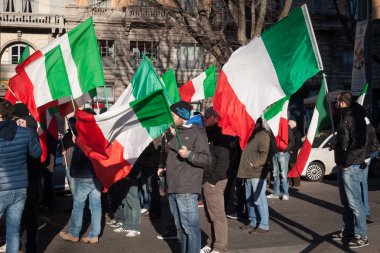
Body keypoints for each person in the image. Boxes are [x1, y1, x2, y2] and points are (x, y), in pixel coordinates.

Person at [166, 101, 212, 253]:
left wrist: (189, 154)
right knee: (182, 228)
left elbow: (207, 159)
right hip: (173, 188)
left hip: (186, 188)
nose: (171, 117)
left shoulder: (197, 133)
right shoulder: (177, 133)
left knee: (190, 229)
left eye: (173, 114)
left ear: (181, 115)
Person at [0, 100, 42, 253]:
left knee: (12, 229)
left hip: (3, 188)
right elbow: (37, 153)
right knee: (13, 231)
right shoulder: (24, 132)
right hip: (20, 187)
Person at [331, 91, 368, 248]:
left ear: (343, 103)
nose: (335, 104)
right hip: (343, 164)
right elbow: (345, 139)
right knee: (346, 202)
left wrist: (346, 162)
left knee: (355, 203)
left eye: (336, 101)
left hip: (351, 166)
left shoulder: (354, 118)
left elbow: (358, 145)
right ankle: (348, 230)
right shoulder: (344, 117)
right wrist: (336, 144)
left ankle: (362, 236)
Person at [59, 109, 102, 244]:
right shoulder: (100, 134)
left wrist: (73, 173)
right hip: (97, 175)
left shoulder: (83, 136)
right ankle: (95, 234)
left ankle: (74, 233)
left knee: (78, 205)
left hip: (83, 176)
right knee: (96, 206)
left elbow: (77, 158)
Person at [200, 107, 235, 253]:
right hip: (207, 178)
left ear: (214, 118)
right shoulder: (209, 133)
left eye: (206, 117)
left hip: (214, 180)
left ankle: (220, 247)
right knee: (210, 214)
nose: (204, 119)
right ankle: (211, 242)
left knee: (218, 216)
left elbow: (223, 161)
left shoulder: (221, 134)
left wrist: (213, 180)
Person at [237, 118, 271, 235]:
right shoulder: (252, 134)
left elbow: (264, 155)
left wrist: (253, 164)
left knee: (259, 199)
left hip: (256, 173)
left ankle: (264, 225)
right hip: (247, 173)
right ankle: (253, 222)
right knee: (250, 199)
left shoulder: (263, 136)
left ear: (256, 124)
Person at [267, 122, 295, 200]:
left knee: (283, 175)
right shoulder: (273, 127)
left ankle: (286, 194)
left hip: (283, 154)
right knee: (275, 175)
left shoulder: (286, 127)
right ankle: (276, 193)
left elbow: (292, 141)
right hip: (274, 153)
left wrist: (285, 150)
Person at [362, 118, 379, 216]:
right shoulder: (371, 127)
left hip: (361, 159)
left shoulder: (361, 127)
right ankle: (365, 209)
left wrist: (365, 156)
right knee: (363, 184)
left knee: (359, 186)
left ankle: (363, 209)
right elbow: (375, 145)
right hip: (365, 159)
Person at [288, 120, 302, 187]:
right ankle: (290, 182)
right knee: (288, 169)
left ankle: (296, 183)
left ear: (292, 125)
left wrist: (292, 150)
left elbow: (299, 144)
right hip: (288, 153)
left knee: (294, 169)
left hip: (293, 154)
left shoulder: (296, 133)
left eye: (288, 124)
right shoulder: (290, 132)